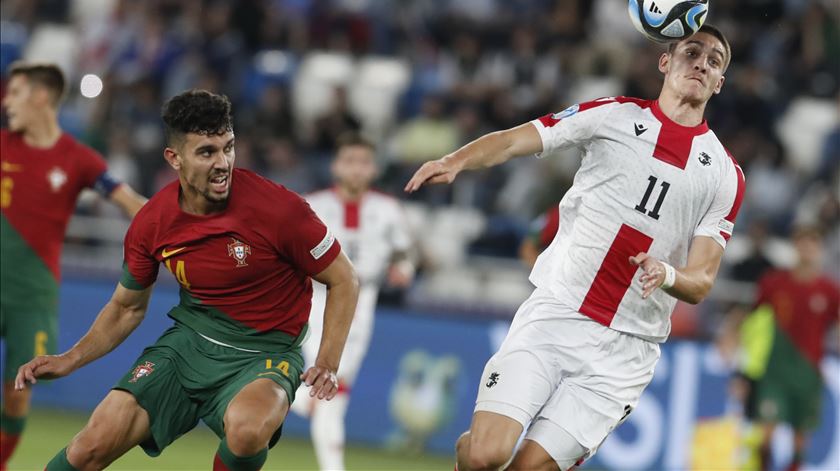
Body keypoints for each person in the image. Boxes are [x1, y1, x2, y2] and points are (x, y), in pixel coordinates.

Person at [406, 24, 745, 470]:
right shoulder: (612, 115)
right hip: (557, 311)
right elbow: (516, 139)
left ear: (719, 83)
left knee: (530, 467)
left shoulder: (724, 175)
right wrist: (456, 160)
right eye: (691, 53)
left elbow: (702, 279)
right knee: (485, 454)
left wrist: (667, 274)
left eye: (714, 61)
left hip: (626, 348)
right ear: (665, 62)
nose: (701, 63)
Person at [15, 89, 360, 471]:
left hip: (267, 353)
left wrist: (327, 362)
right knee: (91, 445)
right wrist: (70, 359)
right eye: (207, 152)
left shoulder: (281, 209)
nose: (223, 163)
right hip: (188, 346)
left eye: (228, 148)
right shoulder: (153, 221)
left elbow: (343, 278)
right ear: (174, 158)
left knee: (247, 430)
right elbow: (127, 307)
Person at [0, 62, 147, 469]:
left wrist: (182, 228)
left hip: (33, 293)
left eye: (14, 92)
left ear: (41, 97)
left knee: (18, 390)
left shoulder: (79, 159)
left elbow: (129, 202)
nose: (6, 101)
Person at [291, 132, 415, 470]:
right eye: (350, 161)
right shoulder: (311, 204)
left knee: (329, 388)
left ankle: (281, 395)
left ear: (374, 169)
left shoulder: (388, 210)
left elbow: (404, 251)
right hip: (317, 297)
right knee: (330, 381)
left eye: (364, 162)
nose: (356, 169)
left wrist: (403, 267)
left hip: (365, 299)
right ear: (335, 166)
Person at [739, 226, 838, 471]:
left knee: (800, 439)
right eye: (803, 243)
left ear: (819, 250)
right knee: (766, 435)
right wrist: (735, 347)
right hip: (776, 371)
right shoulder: (774, 282)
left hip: (808, 372)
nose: (807, 250)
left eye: (812, 245)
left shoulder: (829, 290)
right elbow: (751, 318)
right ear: (795, 246)